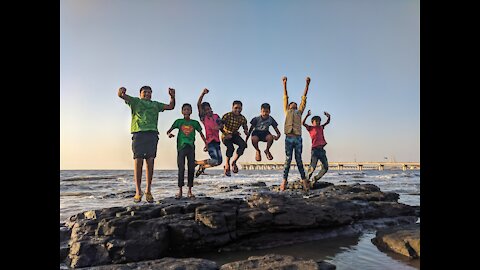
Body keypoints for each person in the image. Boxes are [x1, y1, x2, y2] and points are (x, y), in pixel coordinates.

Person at [118, 86, 175, 203]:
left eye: (149, 92)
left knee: (150, 161)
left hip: (152, 134)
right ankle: (138, 191)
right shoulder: (135, 101)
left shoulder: (155, 104)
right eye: (145, 92)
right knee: (138, 161)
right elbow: (121, 96)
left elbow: (171, 106)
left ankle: (148, 190)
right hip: (138, 134)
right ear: (140, 94)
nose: (147, 94)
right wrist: (121, 91)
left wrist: (172, 97)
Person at [166, 103, 207, 199]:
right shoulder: (178, 122)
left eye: (188, 109)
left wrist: (206, 143)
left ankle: (190, 191)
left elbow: (201, 133)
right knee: (181, 169)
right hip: (181, 148)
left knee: (191, 168)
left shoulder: (195, 123)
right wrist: (169, 134)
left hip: (191, 147)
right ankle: (180, 191)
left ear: (191, 111)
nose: (187, 111)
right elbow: (169, 131)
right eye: (185, 110)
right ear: (182, 112)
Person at [280, 76, 311, 192]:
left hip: (298, 139)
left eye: (295, 104)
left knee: (299, 160)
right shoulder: (287, 111)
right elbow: (285, 97)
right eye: (292, 104)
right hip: (288, 138)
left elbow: (304, 99)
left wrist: (307, 85)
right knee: (288, 160)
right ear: (289, 106)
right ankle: (284, 180)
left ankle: (304, 180)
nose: (294, 104)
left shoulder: (299, 112)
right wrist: (284, 84)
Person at [194, 88, 224, 177]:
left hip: (217, 141)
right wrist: (203, 93)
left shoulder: (216, 116)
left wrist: (224, 131)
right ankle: (197, 162)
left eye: (209, 109)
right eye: (206, 110)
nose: (208, 111)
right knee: (214, 160)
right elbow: (198, 104)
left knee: (219, 162)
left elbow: (221, 126)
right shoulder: (204, 118)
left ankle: (202, 166)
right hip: (210, 142)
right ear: (203, 111)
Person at [303, 109, 331, 188]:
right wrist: (307, 116)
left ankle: (315, 179)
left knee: (325, 167)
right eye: (316, 121)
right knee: (312, 167)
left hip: (322, 150)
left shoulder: (321, 127)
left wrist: (329, 117)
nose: (318, 122)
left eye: (319, 121)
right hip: (315, 150)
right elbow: (303, 123)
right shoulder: (310, 128)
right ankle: (306, 180)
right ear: (312, 122)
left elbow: (327, 122)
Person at [221, 100, 249, 176]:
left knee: (243, 145)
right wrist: (225, 133)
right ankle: (227, 164)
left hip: (234, 134)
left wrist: (246, 131)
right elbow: (220, 126)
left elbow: (245, 126)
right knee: (231, 148)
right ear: (232, 108)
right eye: (236, 108)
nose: (238, 110)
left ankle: (234, 162)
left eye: (239, 108)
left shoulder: (242, 118)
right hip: (225, 135)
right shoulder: (227, 115)